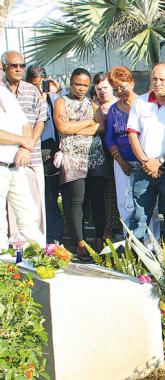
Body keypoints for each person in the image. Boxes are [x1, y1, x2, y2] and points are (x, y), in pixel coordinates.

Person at [127, 62, 165, 253]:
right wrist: (146, 162)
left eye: (162, 79)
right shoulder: (140, 102)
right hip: (143, 168)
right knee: (139, 216)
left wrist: (159, 161)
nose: (157, 82)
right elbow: (132, 134)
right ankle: (135, 261)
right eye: (154, 78)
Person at [53, 68, 106, 259]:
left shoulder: (93, 103)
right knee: (77, 200)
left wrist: (74, 128)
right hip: (72, 158)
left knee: (97, 199)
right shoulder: (61, 102)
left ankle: (99, 239)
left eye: (85, 85)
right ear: (71, 83)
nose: (82, 88)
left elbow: (101, 127)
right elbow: (62, 127)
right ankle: (80, 242)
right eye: (78, 84)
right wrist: (88, 123)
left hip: (95, 156)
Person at [105, 66, 160, 240]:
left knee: (148, 204)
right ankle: (130, 245)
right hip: (122, 163)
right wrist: (120, 161)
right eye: (116, 89)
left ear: (132, 82)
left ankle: (152, 244)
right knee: (126, 204)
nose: (120, 91)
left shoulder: (147, 104)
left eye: (123, 86)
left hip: (146, 163)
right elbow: (109, 138)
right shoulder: (113, 110)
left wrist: (147, 161)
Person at [2, 50, 47, 247]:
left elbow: (31, 124)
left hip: (21, 162)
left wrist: (25, 148)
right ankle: (5, 266)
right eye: (14, 65)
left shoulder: (10, 94)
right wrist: (22, 141)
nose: (19, 69)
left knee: (29, 214)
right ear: (4, 68)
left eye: (22, 65)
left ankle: (40, 258)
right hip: (2, 165)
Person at [25, 65, 64, 243]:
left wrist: (53, 93)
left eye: (42, 84)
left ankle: (54, 237)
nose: (39, 88)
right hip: (33, 152)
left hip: (52, 154)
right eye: (34, 84)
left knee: (51, 199)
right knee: (36, 199)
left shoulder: (55, 99)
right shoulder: (26, 99)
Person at [93, 71, 120, 241]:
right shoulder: (93, 106)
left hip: (117, 156)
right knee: (100, 198)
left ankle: (116, 229)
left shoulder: (121, 104)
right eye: (98, 89)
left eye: (105, 87)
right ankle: (103, 232)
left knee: (115, 195)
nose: (102, 92)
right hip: (97, 159)